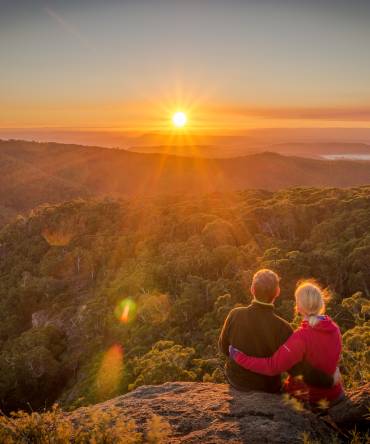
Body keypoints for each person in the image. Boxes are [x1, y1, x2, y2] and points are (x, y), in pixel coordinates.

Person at [229, 280, 344, 405]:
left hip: (308, 398)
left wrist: (240, 357)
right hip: (335, 394)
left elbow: (272, 366)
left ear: (298, 306)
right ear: (321, 303)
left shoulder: (300, 337)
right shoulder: (334, 328)